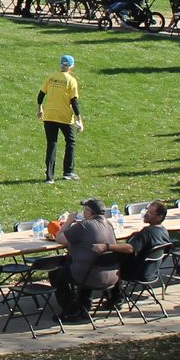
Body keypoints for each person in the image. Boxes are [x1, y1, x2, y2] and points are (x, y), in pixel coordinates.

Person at [51, 198, 119, 322]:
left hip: (91, 276)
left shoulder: (83, 226)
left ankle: (72, 311)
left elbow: (59, 238)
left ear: (89, 212)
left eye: (85, 209)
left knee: (56, 275)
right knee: (83, 264)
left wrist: (68, 222)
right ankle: (84, 304)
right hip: (112, 276)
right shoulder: (109, 224)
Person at [100, 200, 172, 307]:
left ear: (159, 217)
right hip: (151, 272)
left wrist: (107, 246)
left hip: (137, 272)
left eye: (151, 213)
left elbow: (130, 248)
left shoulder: (147, 233)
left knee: (109, 262)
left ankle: (116, 298)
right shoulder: (163, 231)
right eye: (147, 211)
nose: (147, 214)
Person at [37, 54, 83, 182]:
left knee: (52, 144)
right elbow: (74, 102)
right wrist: (79, 119)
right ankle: (68, 172)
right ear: (71, 67)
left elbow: (41, 95)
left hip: (49, 115)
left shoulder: (51, 77)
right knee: (70, 141)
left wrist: (40, 108)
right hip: (64, 117)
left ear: (61, 64)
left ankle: (49, 177)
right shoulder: (71, 81)